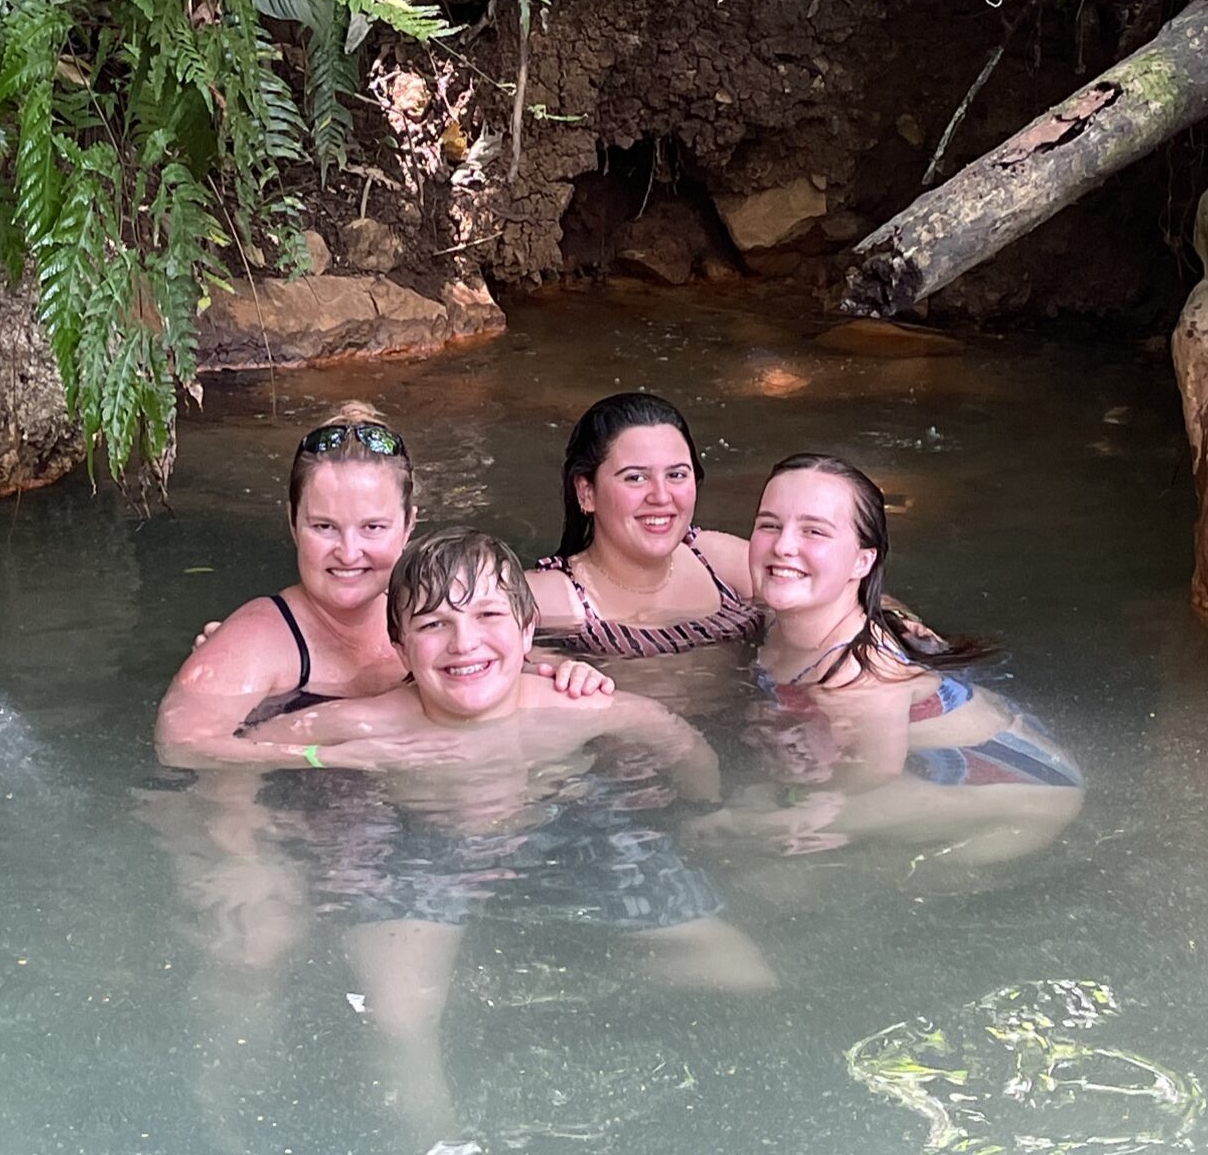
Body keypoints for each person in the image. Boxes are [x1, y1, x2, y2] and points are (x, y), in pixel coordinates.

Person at [266, 528, 775, 1143]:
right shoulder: (365, 722)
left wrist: (702, 815)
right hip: (422, 846)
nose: (465, 642)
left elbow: (677, 741)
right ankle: (441, 1137)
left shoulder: (571, 708)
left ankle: (589, 965)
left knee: (741, 974)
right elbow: (234, 751)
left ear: (528, 629)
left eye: (488, 615)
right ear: (399, 647)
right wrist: (292, 796)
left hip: (563, 825)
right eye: (432, 625)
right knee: (400, 1019)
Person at [155, 402, 609, 771]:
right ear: (293, 524)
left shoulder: (433, 617)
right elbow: (182, 745)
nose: (349, 552)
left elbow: (503, 664)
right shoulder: (256, 641)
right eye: (324, 527)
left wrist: (572, 673)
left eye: (373, 527)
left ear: (408, 525)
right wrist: (324, 758)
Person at [711, 453, 1083, 865]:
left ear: (862, 561)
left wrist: (790, 798)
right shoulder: (794, 616)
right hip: (961, 743)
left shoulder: (860, 677)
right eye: (769, 525)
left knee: (756, 829)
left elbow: (876, 771)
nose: (783, 546)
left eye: (814, 531)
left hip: (1023, 789)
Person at [528, 392, 763, 658]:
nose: (661, 496)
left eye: (676, 475)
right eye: (636, 477)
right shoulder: (550, 600)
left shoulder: (722, 563)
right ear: (587, 493)